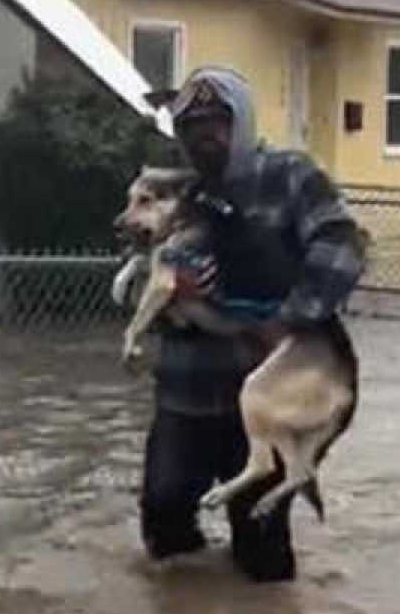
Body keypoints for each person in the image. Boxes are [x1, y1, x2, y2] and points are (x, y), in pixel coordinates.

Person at [139, 65, 365, 583]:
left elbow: (343, 248)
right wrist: (171, 291)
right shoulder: (174, 194)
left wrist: (289, 320)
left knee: (261, 550)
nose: (205, 134)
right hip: (184, 393)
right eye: (191, 126)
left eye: (218, 121)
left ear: (241, 121)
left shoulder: (289, 176)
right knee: (165, 525)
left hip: (268, 397)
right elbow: (136, 281)